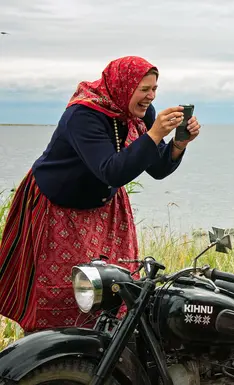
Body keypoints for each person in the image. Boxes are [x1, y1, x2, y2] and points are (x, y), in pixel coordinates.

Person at [0, 55, 201, 333]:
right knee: (66, 288)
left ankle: (105, 348)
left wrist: (178, 144)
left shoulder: (140, 115)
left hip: (105, 208)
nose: (150, 97)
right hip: (59, 206)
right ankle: (52, 351)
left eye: (154, 89)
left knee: (114, 286)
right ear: (123, 86)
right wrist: (153, 135)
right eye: (143, 89)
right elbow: (111, 172)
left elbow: (157, 168)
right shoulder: (83, 115)